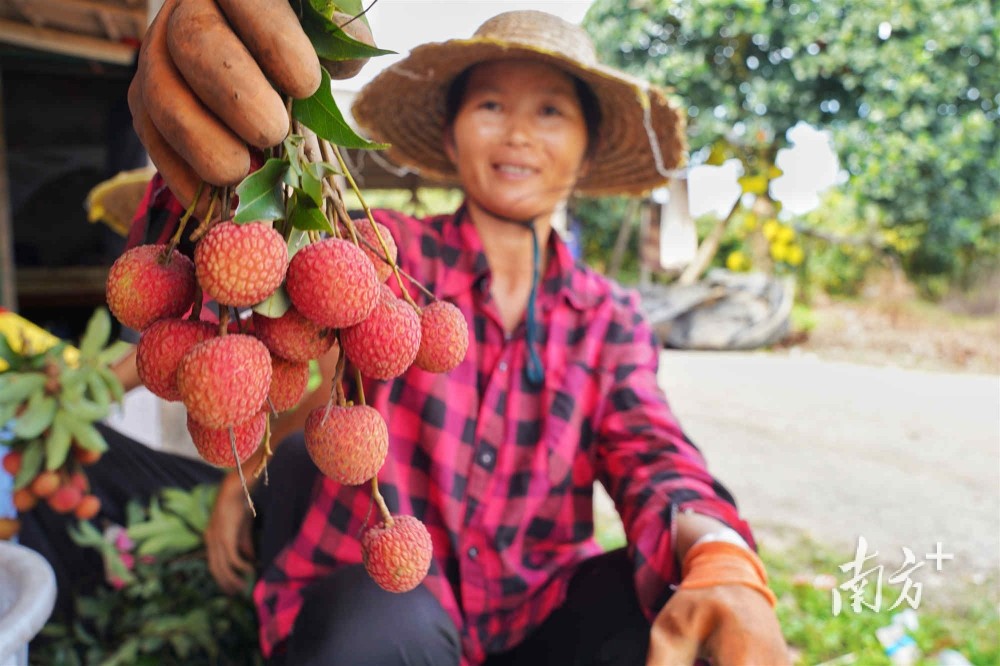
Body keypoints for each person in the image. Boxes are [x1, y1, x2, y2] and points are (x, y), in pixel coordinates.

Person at [123, 8, 789, 666]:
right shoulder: (379, 259)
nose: (520, 133)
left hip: (538, 612)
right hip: (378, 608)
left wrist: (720, 556)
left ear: (586, 152)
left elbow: (651, 449)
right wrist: (204, 129)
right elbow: (237, 244)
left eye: (551, 112)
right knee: (381, 629)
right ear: (451, 136)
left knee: (673, 607)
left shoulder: (609, 318)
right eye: (492, 105)